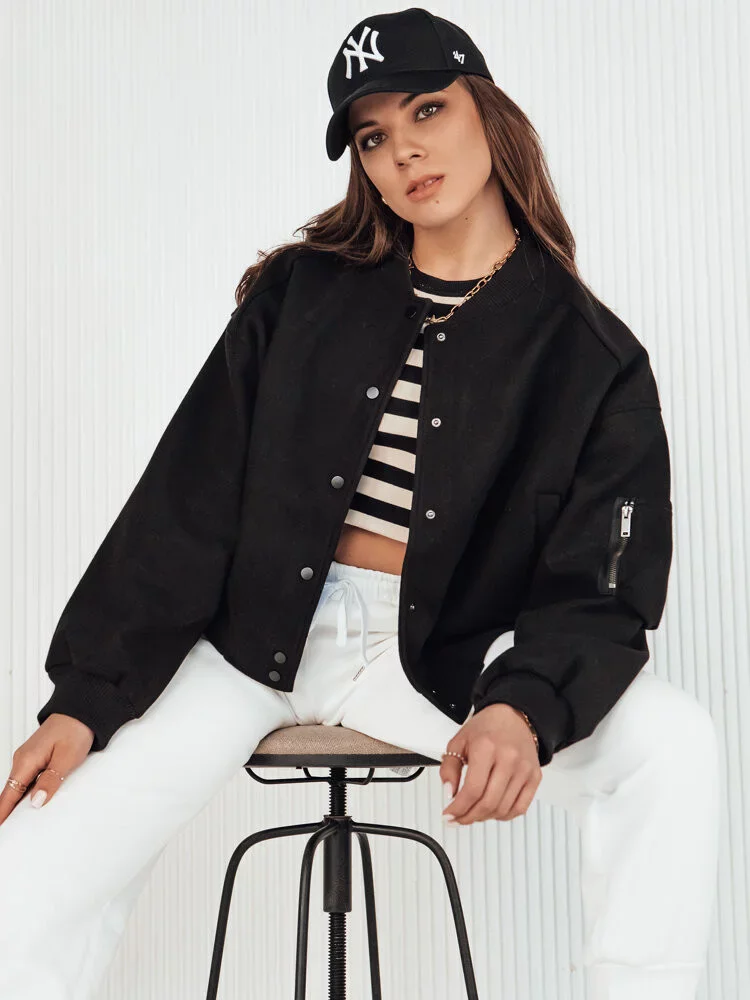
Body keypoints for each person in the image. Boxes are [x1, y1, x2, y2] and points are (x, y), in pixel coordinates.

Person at [0, 8, 720, 1000]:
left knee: (674, 746)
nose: (404, 150)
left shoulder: (591, 356)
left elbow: (598, 588)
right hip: (252, 640)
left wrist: (521, 704)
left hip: (436, 654)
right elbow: (186, 497)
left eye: (428, 110)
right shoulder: (301, 295)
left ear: (488, 113)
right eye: (373, 137)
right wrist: (88, 695)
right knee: (35, 858)